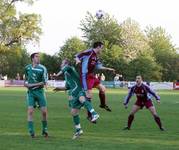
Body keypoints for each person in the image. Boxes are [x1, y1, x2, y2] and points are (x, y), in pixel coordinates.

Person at [53, 59, 99, 139]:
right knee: (74, 112)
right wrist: (59, 89)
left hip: (79, 90)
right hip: (74, 93)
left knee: (82, 99)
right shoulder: (67, 75)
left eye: (62, 63)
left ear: (66, 64)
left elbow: (65, 68)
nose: (61, 64)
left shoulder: (70, 68)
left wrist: (57, 75)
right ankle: (79, 130)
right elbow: (67, 87)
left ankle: (94, 114)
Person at [75, 41, 115, 121]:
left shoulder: (96, 56)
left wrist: (108, 69)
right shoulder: (89, 52)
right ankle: (90, 116)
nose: (102, 50)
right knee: (89, 96)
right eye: (102, 48)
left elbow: (98, 67)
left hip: (91, 75)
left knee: (103, 89)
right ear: (98, 47)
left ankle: (103, 105)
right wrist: (78, 61)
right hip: (85, 76)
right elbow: (77, 56)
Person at [24, 52, 48, 138]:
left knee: (44, 112)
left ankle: (44, 130)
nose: (38, 58)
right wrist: (27, 84)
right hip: (31, 93)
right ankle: (31, 131)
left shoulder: (43, 68)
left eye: (39, 57)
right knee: (30, 111)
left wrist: (32, 85)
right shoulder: (27, 68)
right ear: (32, 58)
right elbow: (26, 81)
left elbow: (44, 82)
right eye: (37, 57)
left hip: (40, 92)